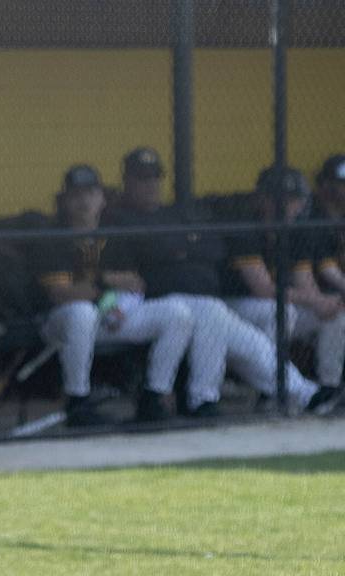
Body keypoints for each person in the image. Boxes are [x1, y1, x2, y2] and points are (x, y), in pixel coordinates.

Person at [105, 146, 326, 416]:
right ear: (126, 180)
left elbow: (211, 248)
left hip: (196, 303)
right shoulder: (117, 217)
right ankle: (213, 398)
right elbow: (155, 258)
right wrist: (179, 249)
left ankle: (297, 394)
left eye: (154, 177)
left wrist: (174, 250)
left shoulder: (172, 214)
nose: (151, 185)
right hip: (152, 303)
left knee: (224, 323)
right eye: (142, 178)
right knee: (217, 316)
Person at [31, 164, 193, 425]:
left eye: (91, 194)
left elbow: (135, 284)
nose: (84, 201)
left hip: (112, 316)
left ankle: (154, 397)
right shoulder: (51, 236)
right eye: (76, 195)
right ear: (65, 201)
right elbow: (61, 293)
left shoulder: (114, 233)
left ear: (102, 199)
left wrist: (104, 293)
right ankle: (77, 401)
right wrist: (105, 283)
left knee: (177, 313)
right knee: (82, 313)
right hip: (61, 323)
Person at [224, 167, 345, 410]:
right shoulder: (247, 229)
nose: (291, 206)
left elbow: (305, 284)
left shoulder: (294, 232)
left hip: (272, 303)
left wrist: (322, 303)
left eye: (294, 199)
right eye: (283, 199)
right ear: (264, 199)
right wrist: (313, 300)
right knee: (281, 312)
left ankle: (328, 388)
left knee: (335, 314)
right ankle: (269, 390)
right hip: (234, 304)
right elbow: (262, 289)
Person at [311, 153, 345, 297]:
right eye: (342, 183)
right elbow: (326, 268)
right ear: (325, 184)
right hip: (320, 290)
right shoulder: (310, 216)